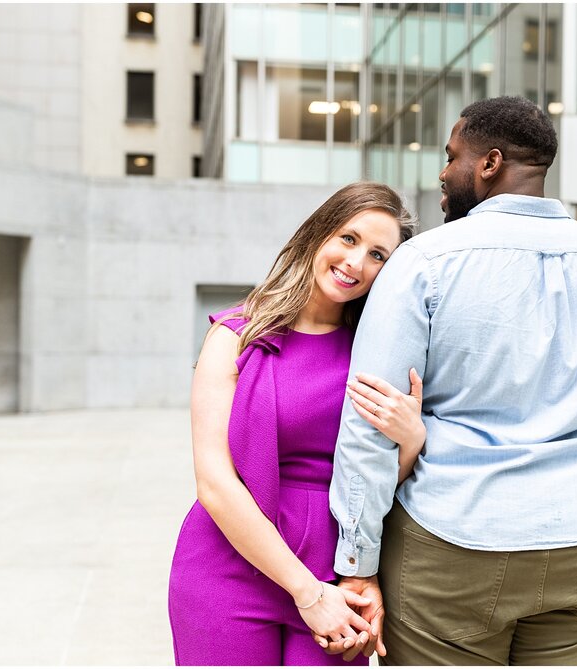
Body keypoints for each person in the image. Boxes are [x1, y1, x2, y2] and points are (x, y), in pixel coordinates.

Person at [325, 96, 577, 665]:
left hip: (454, 544)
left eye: (451, 155)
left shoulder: (422, 263)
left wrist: (358, 562)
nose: (443, 172)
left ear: (488, 164)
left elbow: (371, 424)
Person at [168, 182, 424, 666]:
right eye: (348, 239)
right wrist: (307, 595)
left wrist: (411, 440)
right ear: (317, 234)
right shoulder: (234, 337)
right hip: (228, 570)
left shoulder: (378, 354)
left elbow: (374, 484)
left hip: (337, 572)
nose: (355, 263)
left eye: (377, 255)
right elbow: (215, 484)